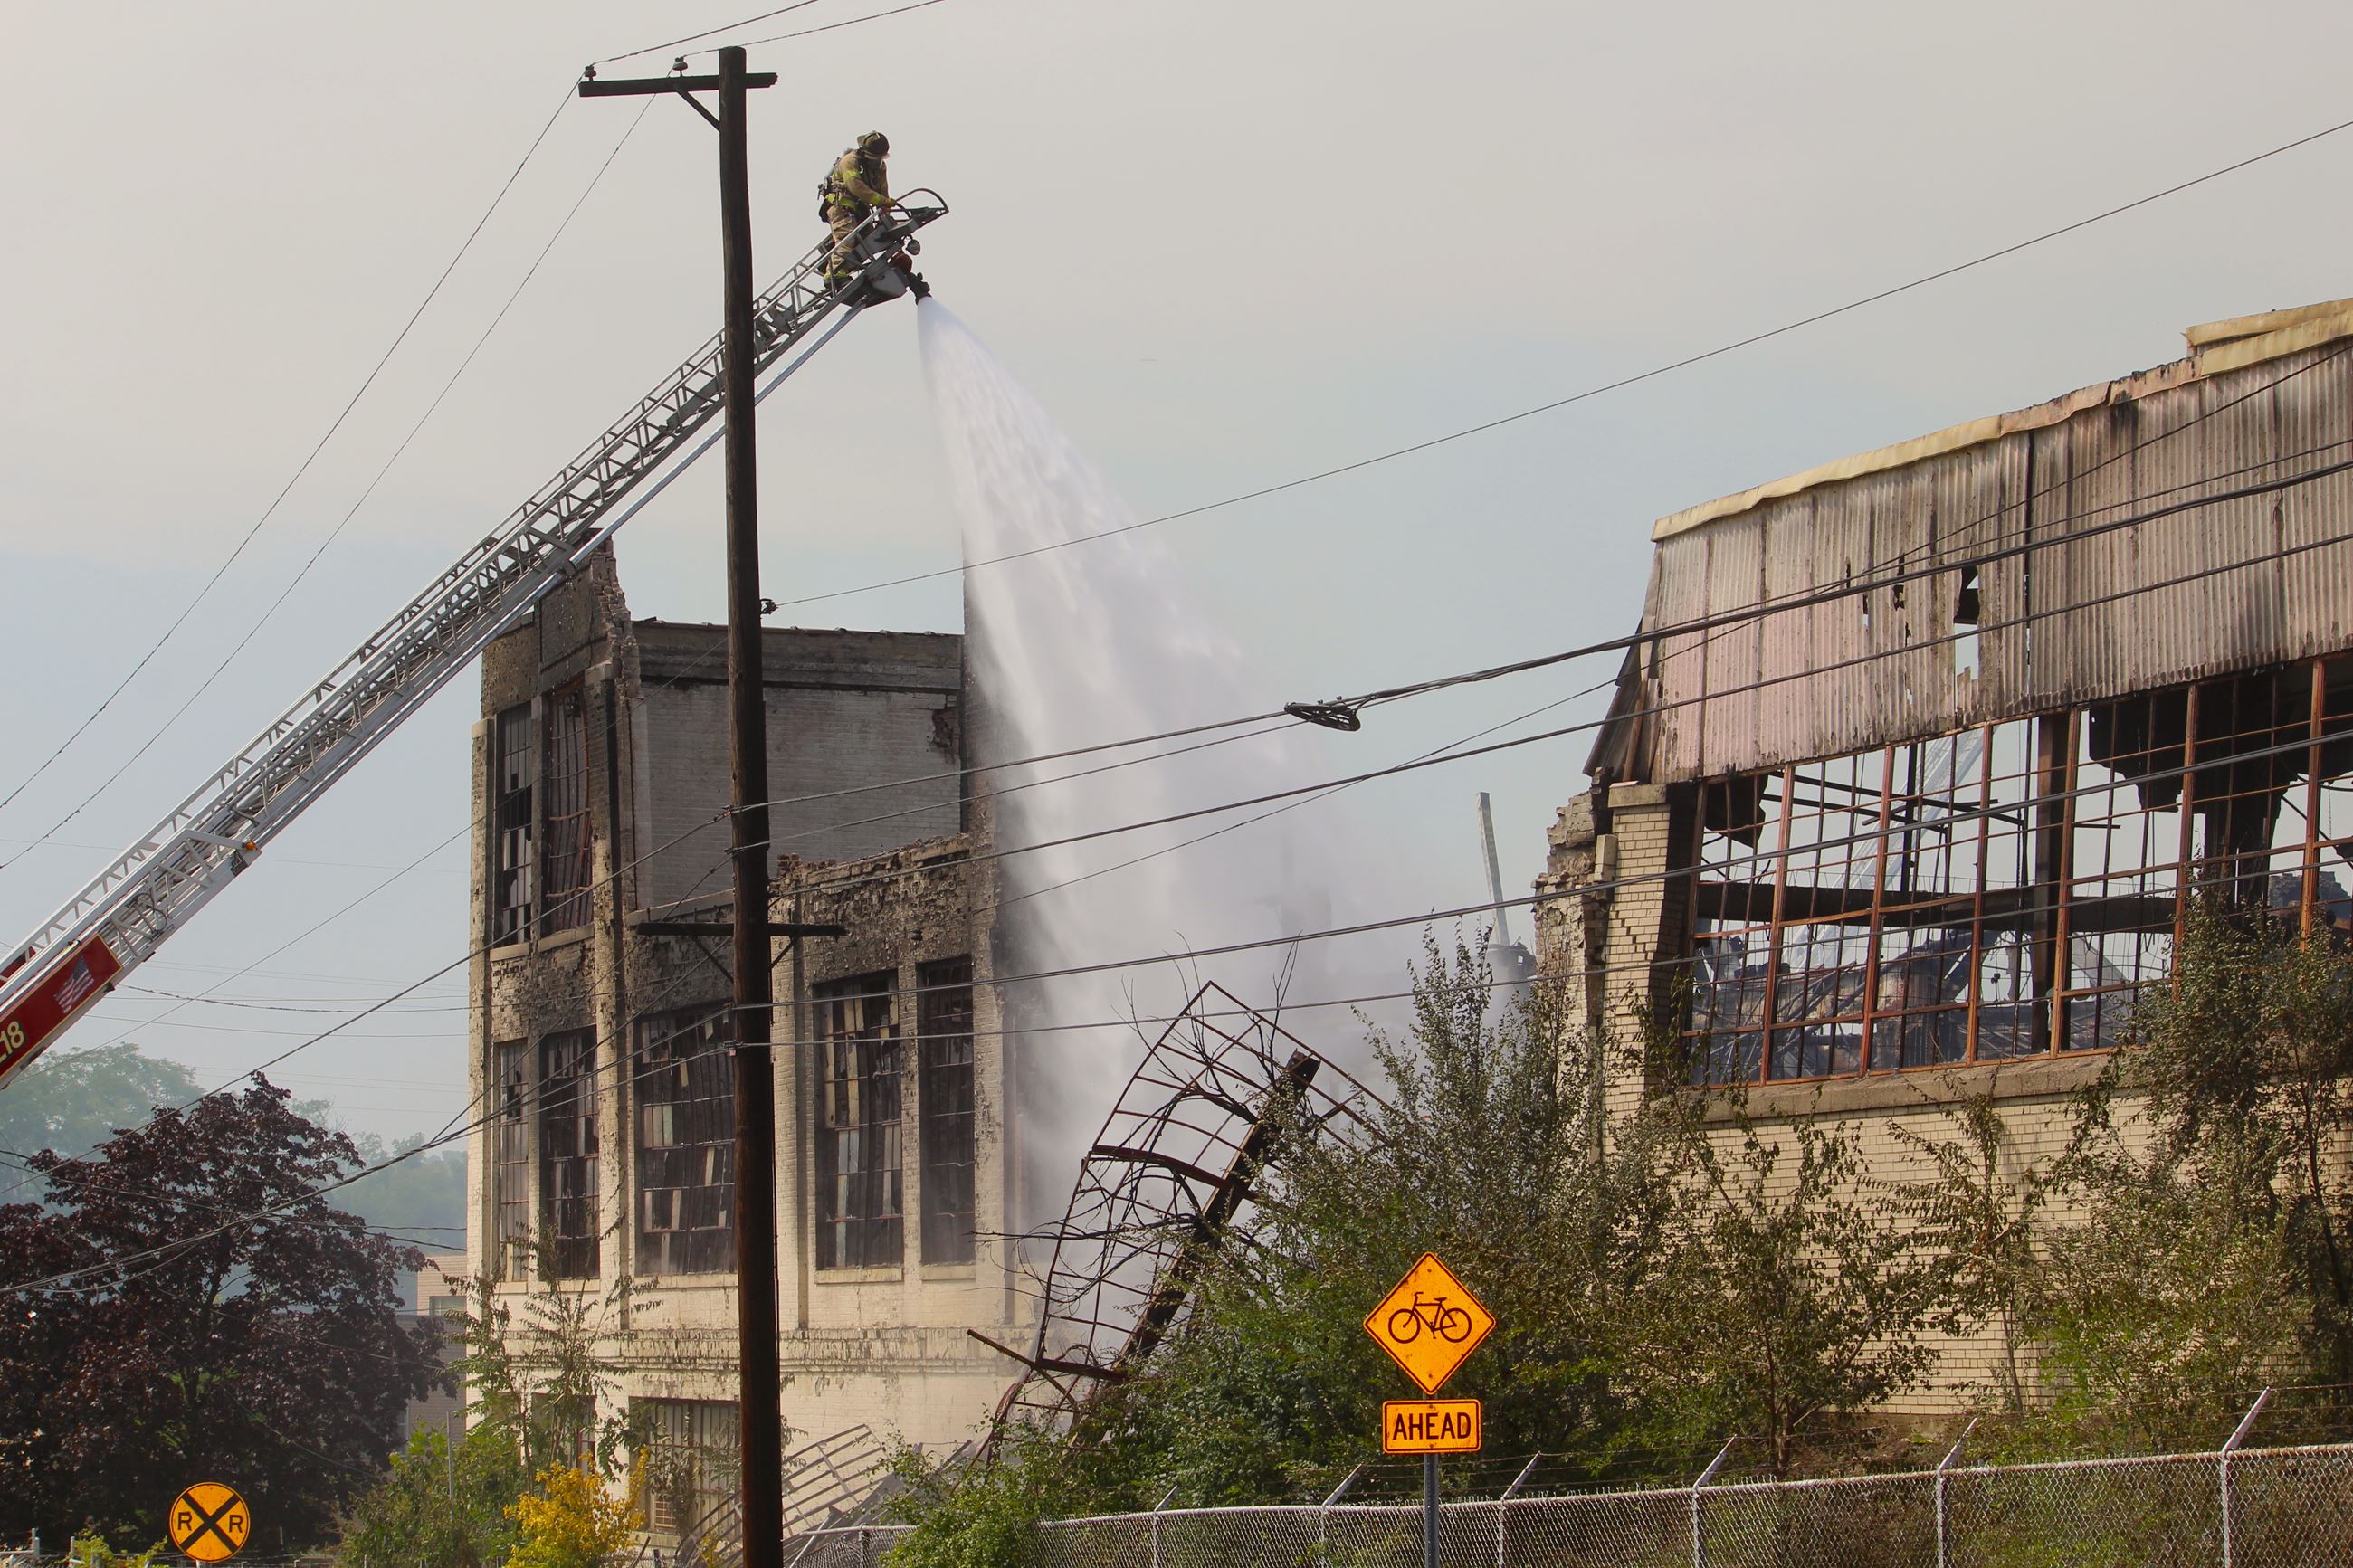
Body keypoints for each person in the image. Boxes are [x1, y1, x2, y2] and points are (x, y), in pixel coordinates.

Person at [822, 131, 891, 289]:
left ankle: (841, 269)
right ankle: (833, 274)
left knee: (869, 240)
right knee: (847, 237)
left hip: (861, 209)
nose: (877, 162)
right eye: (874, 158)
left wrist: (885, 206)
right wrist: (881, 201)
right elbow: (856, 186)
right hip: (841, 207)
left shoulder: (880, 166)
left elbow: (882, 188)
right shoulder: (850, 161)